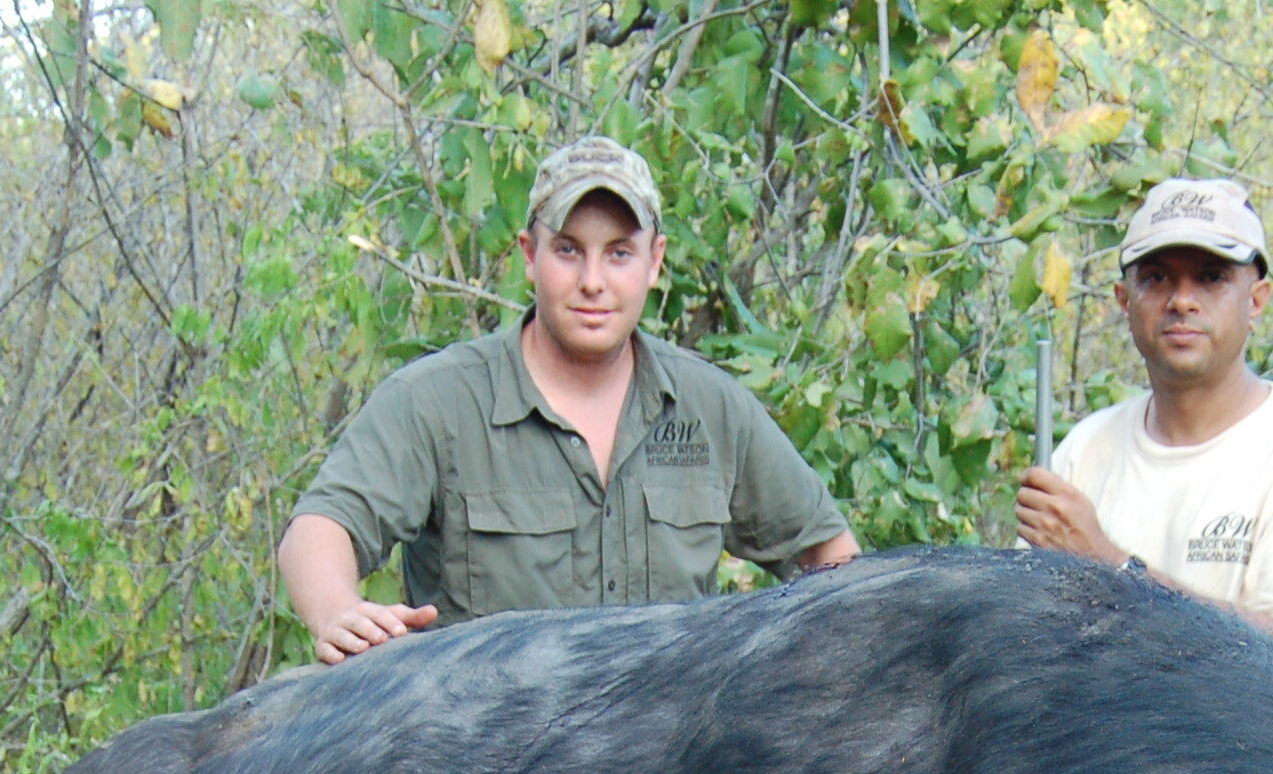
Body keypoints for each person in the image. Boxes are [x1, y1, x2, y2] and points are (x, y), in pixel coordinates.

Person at [279, 137, 859, 661]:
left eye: (618, 253)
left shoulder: (710, 408)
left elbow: (830, 556)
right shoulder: (437, 403)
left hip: (670, 764)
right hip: (484, 762)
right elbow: (322, 527)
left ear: (655, 262)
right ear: (529, 254)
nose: (592, 281)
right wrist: (337, 612)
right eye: (568, 250)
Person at [1015, 178, 1273, 654]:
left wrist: (1110, 566)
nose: (1181, 301)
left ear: (1257, 300)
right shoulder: (1084, 449)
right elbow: (1023, 638)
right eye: (1157, 278)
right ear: (1125, 301)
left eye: (1211, 277)